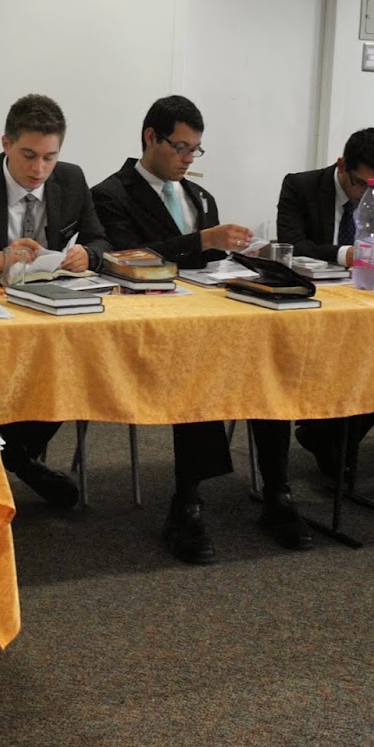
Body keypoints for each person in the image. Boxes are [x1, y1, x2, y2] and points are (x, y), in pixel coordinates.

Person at [91, 96, 309, 560]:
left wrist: (244, 253)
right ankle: (186, 503)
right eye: (181, 147)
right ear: (151, 138)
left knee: (269, 362)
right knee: (199, 365)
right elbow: (126, 258)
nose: (189, 158)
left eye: (195, 150)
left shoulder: (199, 196)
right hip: (155, 327)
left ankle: (278, 491)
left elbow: (211, 263)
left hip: (212, 320)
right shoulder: (111, 193)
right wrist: (203, 239)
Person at [0, 94, 111, 506]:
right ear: (6, 144)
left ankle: (6, 452)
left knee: (80, 359)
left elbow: (100, 238)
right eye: (29, 155)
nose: (39, 169)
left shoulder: (72, 179)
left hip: (52, 307)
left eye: (49, 157)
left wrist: (89, 255)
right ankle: (16, 457)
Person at [276, 128, 374, 479]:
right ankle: (332, 438)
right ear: (342, 165)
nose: (369, 193)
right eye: (361, 184)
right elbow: (292, 245)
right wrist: (347, 254)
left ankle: (327, 435)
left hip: (371, 308)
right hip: (317, 310)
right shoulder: (301, 186)